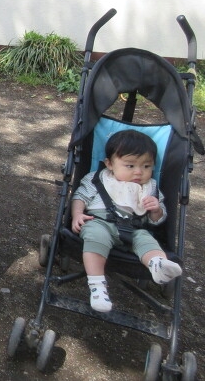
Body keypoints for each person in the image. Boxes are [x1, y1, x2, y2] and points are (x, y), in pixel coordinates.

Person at [71, 129, 182, 313]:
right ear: (109, 164)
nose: (139, 172)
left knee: (148, 241)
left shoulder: (151, 188)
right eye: (130, 166)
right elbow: (80, 196)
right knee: (95, 236)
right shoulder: (98, 179)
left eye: (146, 166)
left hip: (135, 228)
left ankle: (158, 264)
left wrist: (156, 210)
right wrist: (77, 214)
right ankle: (97, 287)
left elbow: (156, 221)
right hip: (100, 222)